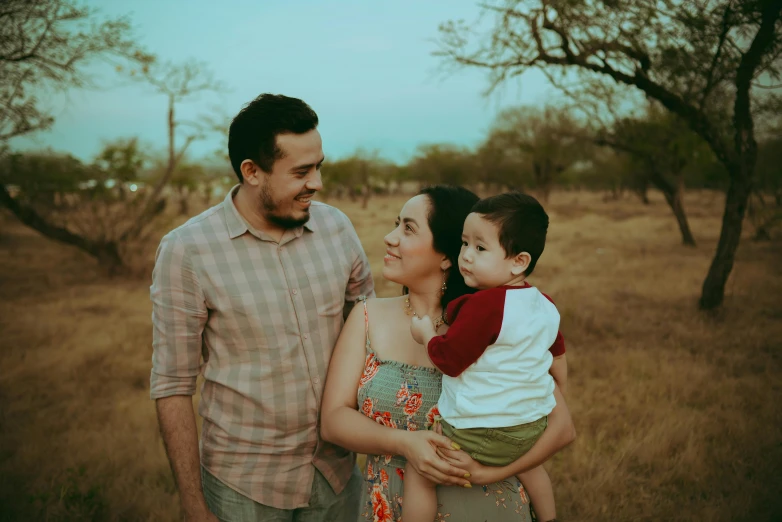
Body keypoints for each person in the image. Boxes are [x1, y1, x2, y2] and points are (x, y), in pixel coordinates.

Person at [149, 93, 374, 522]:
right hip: (243, 487)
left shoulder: (337, 228)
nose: (317, 183)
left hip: (339, 477)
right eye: (301, 172)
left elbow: (371, 333)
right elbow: (173, 384)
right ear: (252, 172)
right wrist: (194, 506)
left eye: (319, 166)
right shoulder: (187, 251)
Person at [321, 186, 576, 522]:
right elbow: (333, 420)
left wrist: (489, 473)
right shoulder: (367, 316)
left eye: (408, 228)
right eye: (396, 224)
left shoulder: (493, 324)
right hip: (388, 503)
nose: (390, 237)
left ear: (446, 254)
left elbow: (561, 428)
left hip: (487, 506)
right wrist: (404, 444)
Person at [405, 192, 567, 522]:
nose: (466, 256)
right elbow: (557, 362)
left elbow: (449, 360)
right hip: (530, 426)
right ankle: (549, 518)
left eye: (480, 248)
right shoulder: (544, 304)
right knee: (533, 468)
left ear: (518, 261)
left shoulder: (485, 307)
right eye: (465, 244)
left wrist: (426, 335)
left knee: (420, 469)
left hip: (476, 430)